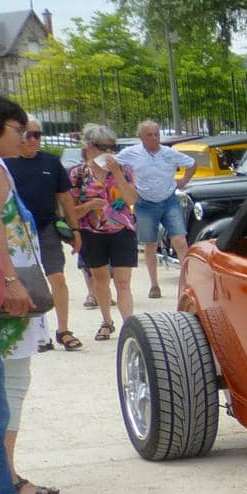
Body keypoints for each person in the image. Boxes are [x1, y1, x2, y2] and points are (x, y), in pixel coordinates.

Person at [0, 92, 60, 494]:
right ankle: (3, 484)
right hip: (3, 294)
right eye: (18, 128)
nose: (26, 137)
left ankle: (1, 479)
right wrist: (10, 281)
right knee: (6, 386)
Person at [5, 117, 82, 350]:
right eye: (28, 134)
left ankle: (63, 330)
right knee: (25, 281)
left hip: (47, 228)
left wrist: (75, 229)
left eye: (37, 135)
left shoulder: (51, 162)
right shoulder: (5, 163)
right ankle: (37, 334)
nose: (33, 140)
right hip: (17, 231)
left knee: (57, 278)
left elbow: (65, 198)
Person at [70, 123, 139, 340]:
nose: (109, 152)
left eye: (112, 147)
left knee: (123, 281)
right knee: (100, 279)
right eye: (103, 147)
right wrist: (89, 206)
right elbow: (71, 210)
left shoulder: (124, 169)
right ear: (90, 147)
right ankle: (107, 321)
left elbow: (131, 200)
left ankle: (129, 325)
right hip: (92, 231)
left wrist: (116, 172)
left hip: (122, 229)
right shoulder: (78, 173)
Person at [117, 119, 197, 299]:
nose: (154, 138)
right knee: (150, 244)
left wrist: (184, 181)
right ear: (141, 137)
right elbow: (113, 164)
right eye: (149, 135)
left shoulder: (169, 153)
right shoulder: (131, 153)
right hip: (144, 202)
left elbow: (192, 163)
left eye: (156, 134)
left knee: (180, 240)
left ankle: (187, 282)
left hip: (169, 200)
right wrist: (125, 181)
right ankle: (154, 284)